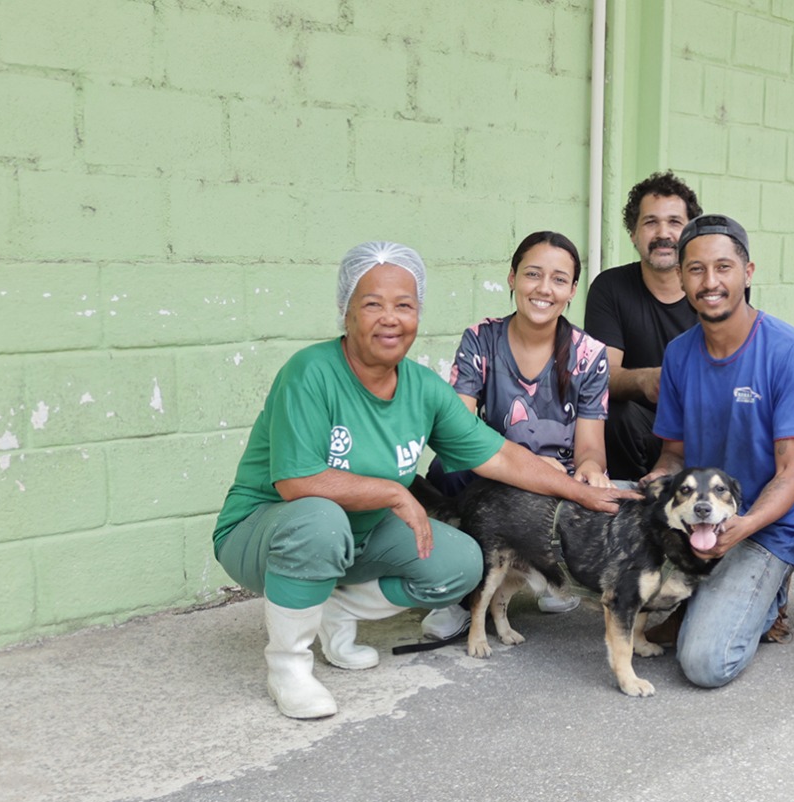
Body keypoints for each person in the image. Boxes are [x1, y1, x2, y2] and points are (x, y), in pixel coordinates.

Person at [213, 241, 632, 720]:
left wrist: (583, 492)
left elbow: (501, 457)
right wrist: (393, 492)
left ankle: (336, 608)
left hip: (358, 532)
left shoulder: (422, 387)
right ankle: (288, 666)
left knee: (459, 564)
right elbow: (296, 482)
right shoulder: (310, 374)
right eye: (372, 304)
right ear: (345, 310)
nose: (390, 318)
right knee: (319, 519)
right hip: (265, 532)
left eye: (405, 306)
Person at [643, 214, 794, 688]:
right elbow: (674, 455)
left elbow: (790, 475)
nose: (710, 281)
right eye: (696, 270)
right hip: (699, 510)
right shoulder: (680, 354)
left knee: (705, 662)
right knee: (609, 509)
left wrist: (742, 525)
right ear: (681, 278)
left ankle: (768, 598)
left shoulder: (790, 353)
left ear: (748, 272)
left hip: (762, 527)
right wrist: (652, 485)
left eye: (723, 267)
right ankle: (696, 595)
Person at [422, 231, 611, 627]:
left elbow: (591, 448)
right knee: (446, 468)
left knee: (595, 486)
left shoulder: (590, 354)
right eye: (532, 274)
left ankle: (554, 575)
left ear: (573, 290)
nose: (544, 289)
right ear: (512, 278)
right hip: (493, 467)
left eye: (559, 279)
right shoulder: (481, 338)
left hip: (555, 482)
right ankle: (459, 591)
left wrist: (591, 469)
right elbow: (458, 427)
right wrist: (526, 463)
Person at [584, 171, 703, 481]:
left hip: (701, 429)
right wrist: (648, 380)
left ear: (691, 232)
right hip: (640, 430)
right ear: (633, 234)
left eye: (675, 222)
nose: (663, 232)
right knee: (614, 414)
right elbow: (602, 375)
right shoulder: (610, 287)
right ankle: (629, 513)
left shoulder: (710, 288)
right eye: (650, 222)